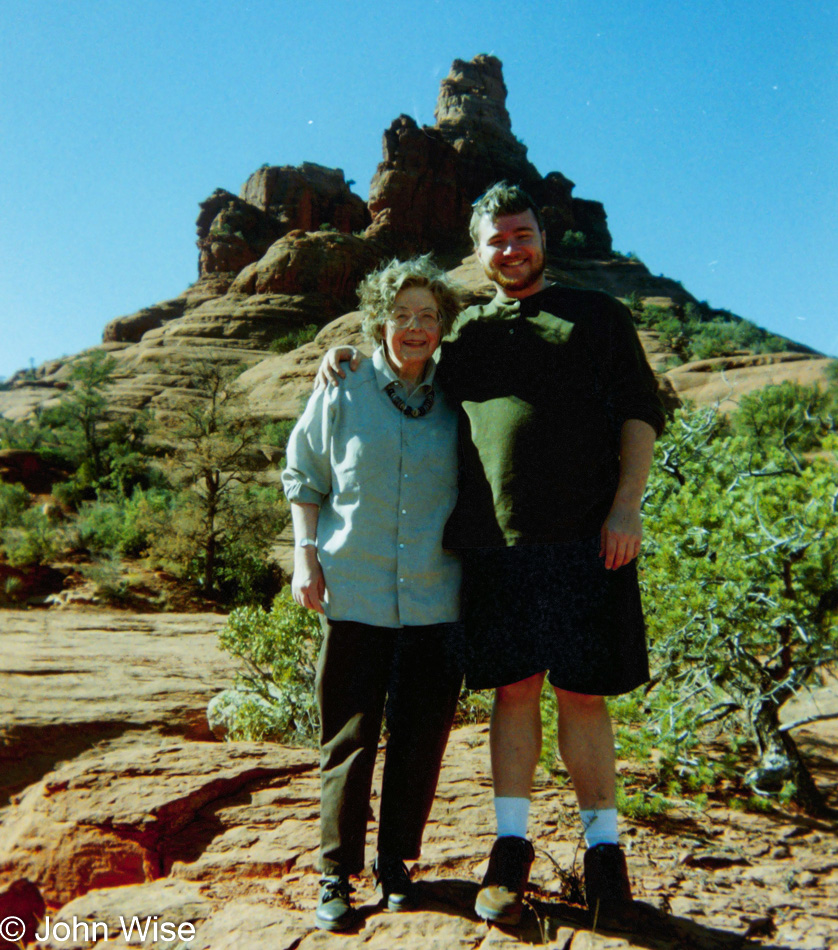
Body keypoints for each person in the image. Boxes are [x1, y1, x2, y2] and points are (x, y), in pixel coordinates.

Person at [316, 182, 665, 927]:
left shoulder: (598, 315)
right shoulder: (466, 333)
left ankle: (604, 856)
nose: (512, 249)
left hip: (588, 539)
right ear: (477, 253)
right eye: (496, 240)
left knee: (584, 695)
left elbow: (640, 413)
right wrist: (344, 350)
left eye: (521, 234)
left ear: (543, 236)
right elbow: (404, 363)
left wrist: (626, 506)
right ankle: (511, 850)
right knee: (514, 691)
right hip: (496, 548)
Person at [282, 255, 464, 933]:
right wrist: (305, 557)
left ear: (442, 327)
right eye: (402, 315)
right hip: (354, 588)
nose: (414, 328)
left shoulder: (459, 395)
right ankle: (336, 874)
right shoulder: (345, 385)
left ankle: (396, 865)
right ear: (379, 321)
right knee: (348, 739)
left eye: (428, 316)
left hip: (435, 596)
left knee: (421, 738)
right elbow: (304, 474)